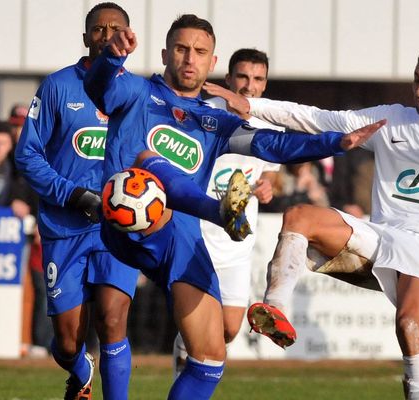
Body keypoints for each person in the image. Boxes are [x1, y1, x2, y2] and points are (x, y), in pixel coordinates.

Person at [206, 43, 419, 399]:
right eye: (417, 80)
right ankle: (276, 308)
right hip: (382, 237)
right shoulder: (392, 119)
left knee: (408, 325)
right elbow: (317, 117)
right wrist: (251, 106)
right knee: (299, 216)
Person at [83, 14, 382, 399]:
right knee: (147, 166)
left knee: (210, 358)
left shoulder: (215, 121)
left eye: (200, 52)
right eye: (181, 49)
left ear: (212, 62)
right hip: (129, 216)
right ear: (164, 53)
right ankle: (217, 210)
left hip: (182, 237)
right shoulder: (136, 92)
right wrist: (111, 58)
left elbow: (273, 145)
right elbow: (98, 86)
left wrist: (335, 143)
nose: (190, 58)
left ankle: (216, 212)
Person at [14, 3, 139, 399]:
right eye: (98, 29)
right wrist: (70, 193)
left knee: (112, 319)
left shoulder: (138, 92)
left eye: (115, 28)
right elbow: (27, 155)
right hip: (64, 228)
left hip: (116, 229)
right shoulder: (57, 86)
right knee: (68, 342)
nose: (106, 35)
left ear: (128, 38)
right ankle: (81, 372)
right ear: (86, 38)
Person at [171, 48, 281, 376]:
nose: (250, 85)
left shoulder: (272, 122)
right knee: (198, 332)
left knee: (229, 329)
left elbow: (270, 171)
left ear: (264, 84)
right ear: (229, 79)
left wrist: (267, 185)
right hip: (200, 238)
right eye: (243, 77)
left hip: (237, 245)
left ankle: (182, 351)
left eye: (258, 78)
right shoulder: (206, 115)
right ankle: (182, 374)